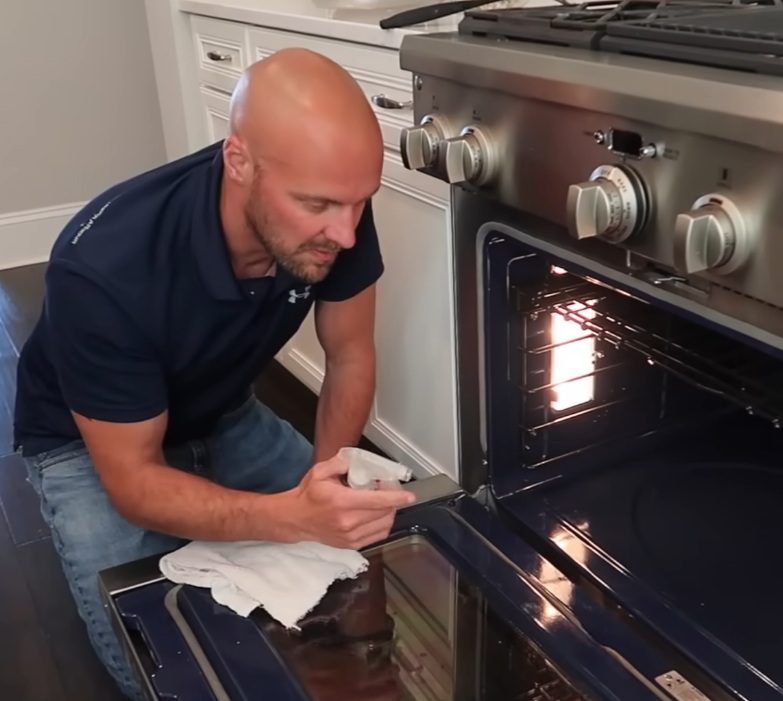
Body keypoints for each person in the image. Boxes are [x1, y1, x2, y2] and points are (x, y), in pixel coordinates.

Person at [13, 48, 415, 700]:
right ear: (239, 162)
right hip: (86, 446)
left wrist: (328, 480)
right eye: (317, 204)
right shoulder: (105, 269)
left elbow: (349, 354)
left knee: (356, 553)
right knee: (153, 656)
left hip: (222, 408)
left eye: (358, 203)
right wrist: (296, 517)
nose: (345, 234)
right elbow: (135, 483)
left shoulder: (335, 210)